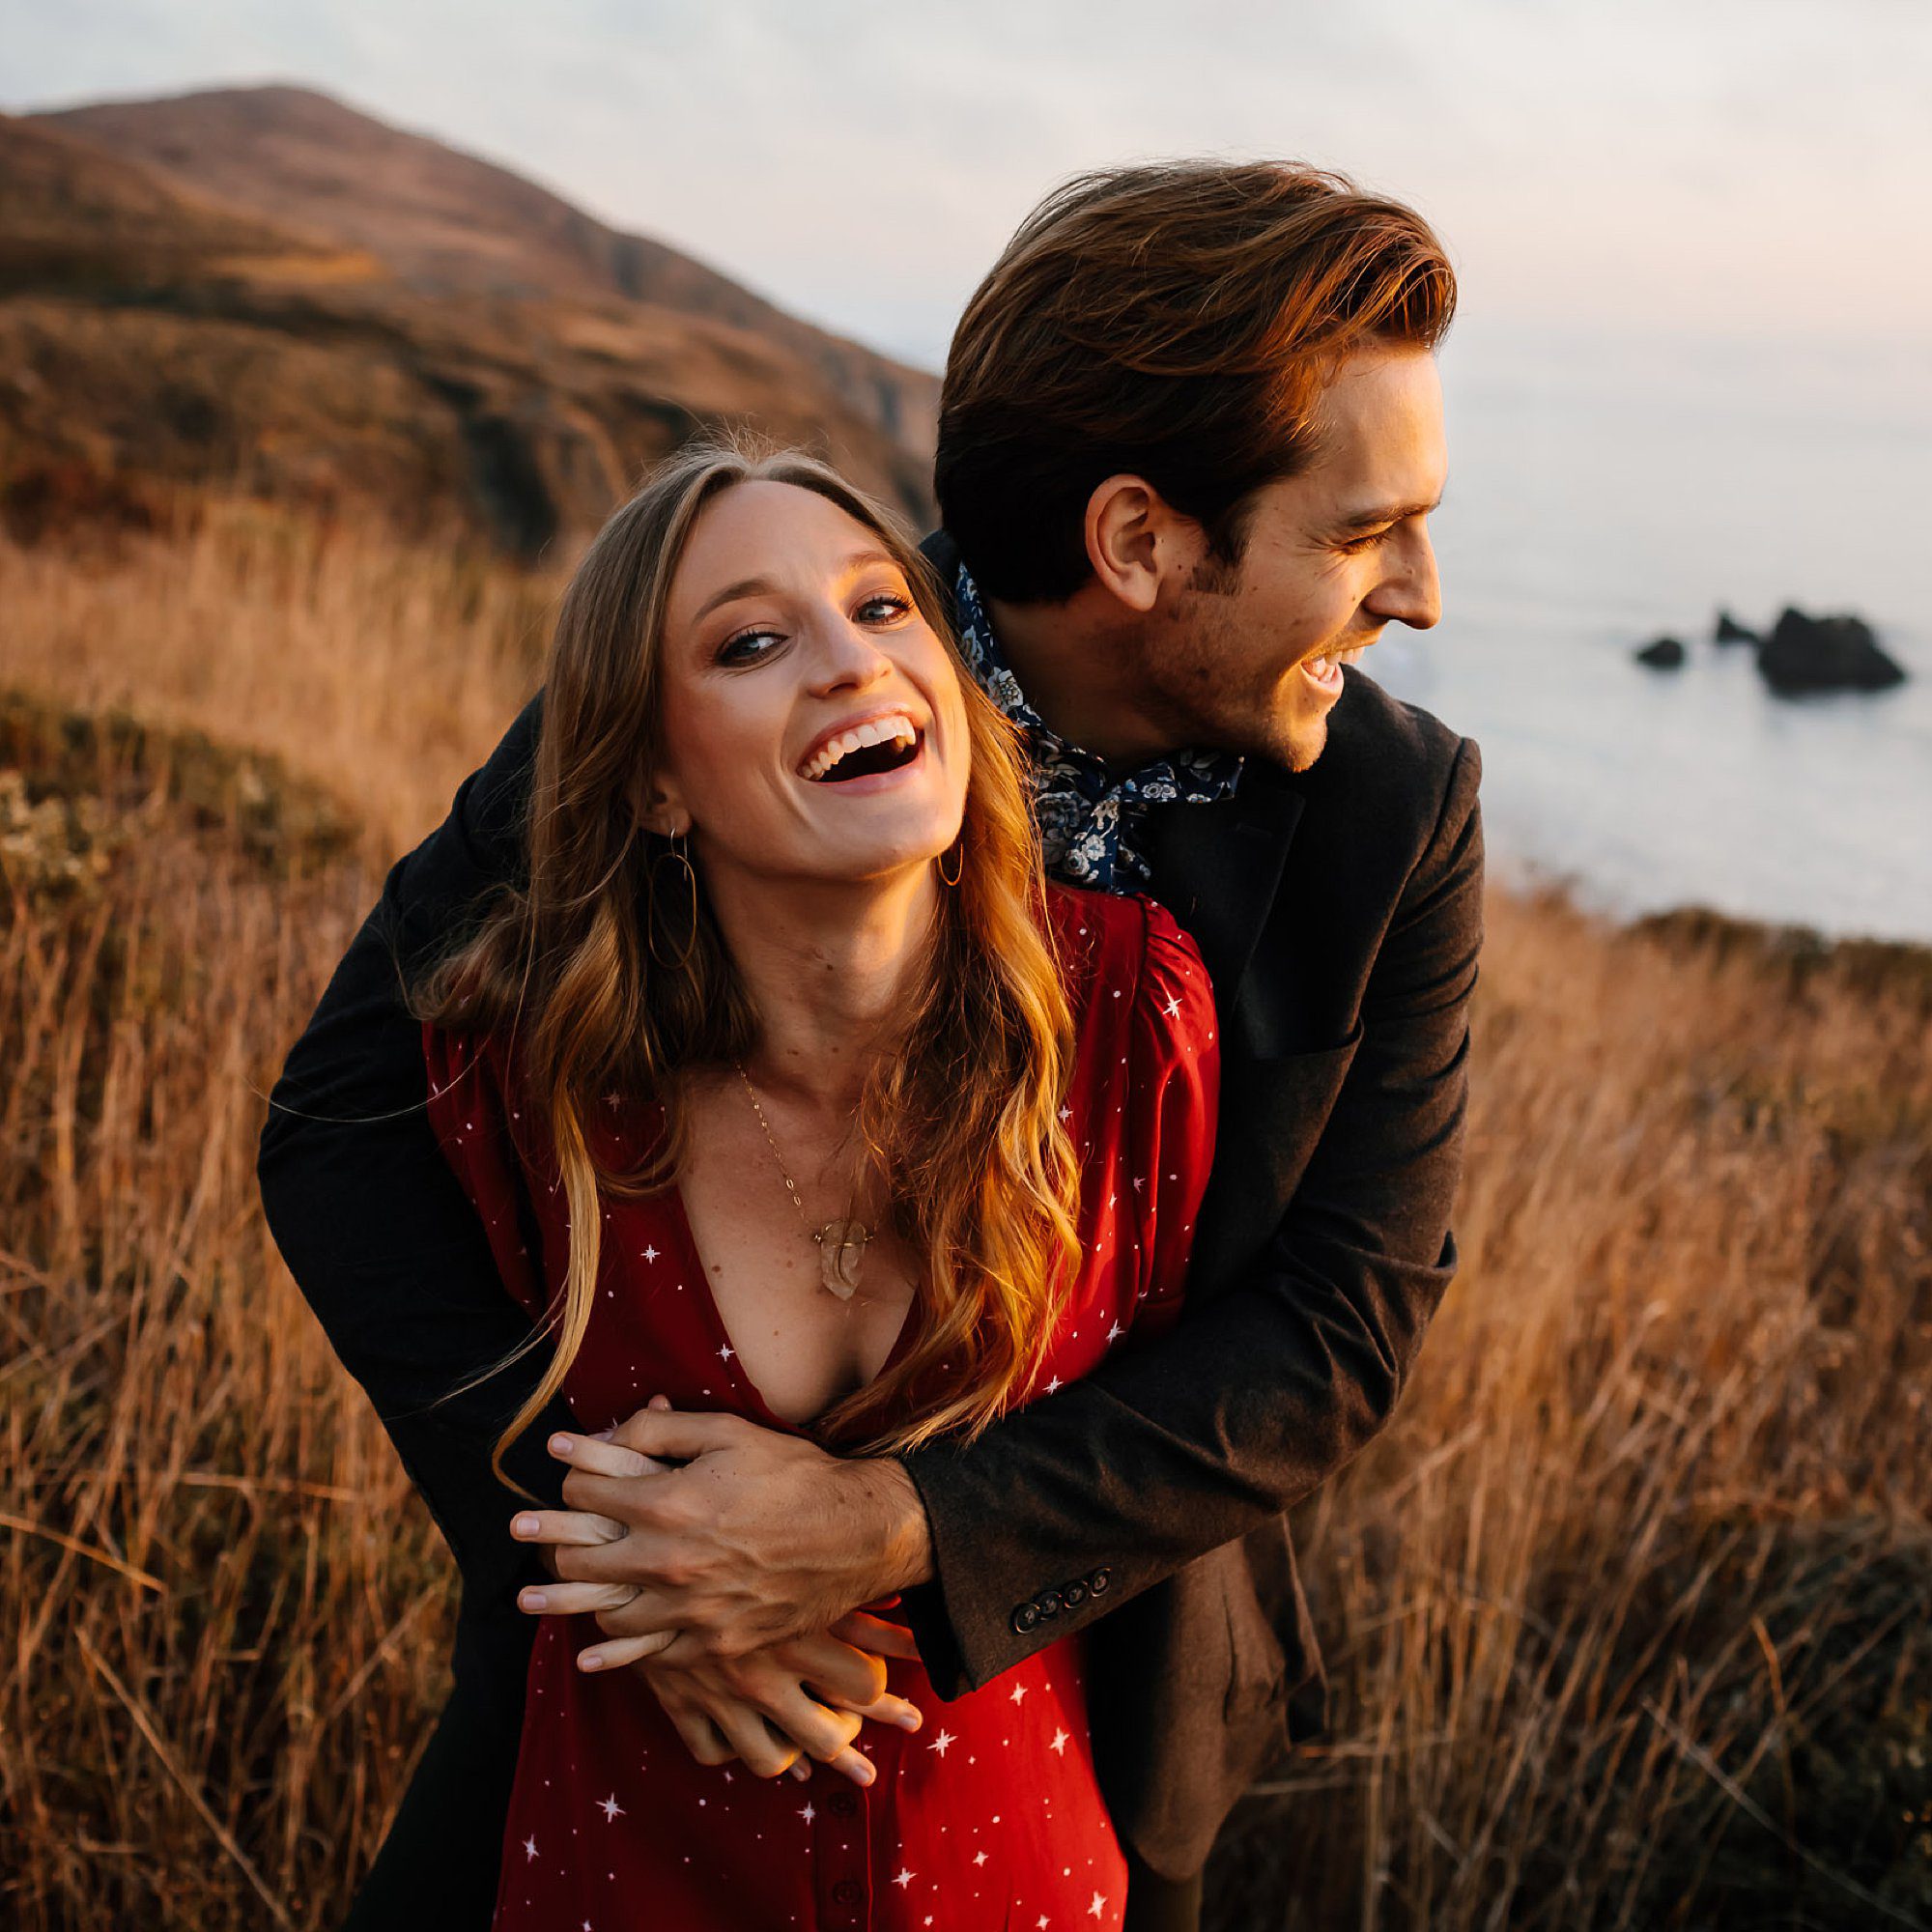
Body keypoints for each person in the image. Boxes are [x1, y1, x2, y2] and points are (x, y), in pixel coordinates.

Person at [259, 159, 1483, 1931]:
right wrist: (633, 1577)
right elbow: (344, 1121)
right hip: (619, 1707)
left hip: (1097, 1729)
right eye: (1366, 532)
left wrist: (895, 1532)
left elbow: (1338, 1330)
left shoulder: (1397, 816)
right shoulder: (753, 649)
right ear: (1138, 542)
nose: (1423, 598)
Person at [414, 439, 1220, 1929]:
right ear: (655, 779)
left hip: (1024, 1882)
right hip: (630, 1877)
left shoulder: (1130, 1022)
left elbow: (1202, 1423)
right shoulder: (521, 1075)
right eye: (754, 641)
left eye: (884, 608)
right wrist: (621, 1570)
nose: (852, 665)